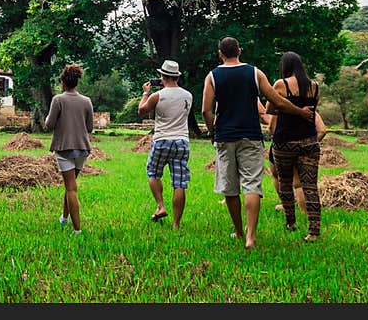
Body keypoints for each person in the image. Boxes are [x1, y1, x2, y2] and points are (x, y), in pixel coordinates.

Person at [201, 37, 314, 250]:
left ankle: (239, 230)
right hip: (251, 136)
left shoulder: (212, 76)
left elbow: (206, 109)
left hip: (225, 136)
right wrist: (300, 112)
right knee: (252, 185)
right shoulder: (255, 73)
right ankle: (251, 237)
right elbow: (278, 101)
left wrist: (212, 131)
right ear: (239, 51)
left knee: (230, 188)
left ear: (220, 53)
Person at [265, 52, 326, 242]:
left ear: (285, 66)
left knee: (284, 182)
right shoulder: (314, 87)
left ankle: (290, 222)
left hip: (285, 141)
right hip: (309, 141)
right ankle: (314, 231)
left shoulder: (280, 84)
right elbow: (313, 110)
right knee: (310, 187)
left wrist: (286, 107)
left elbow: (269, 109)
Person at [137, 60, 193, 228]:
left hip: (162, 140)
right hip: (182, 141)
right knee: (179, 183)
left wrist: (146, 93)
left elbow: (141, 110)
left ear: (163, 76)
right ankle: (176, 224)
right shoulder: (188, 95)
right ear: (176, 76)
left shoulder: (157, 95)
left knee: (153, 173)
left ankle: (161, 206)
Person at [45, 63, 94, 235]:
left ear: (63, 83)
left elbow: (49, 125)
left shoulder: (58, 100)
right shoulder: (86, 101)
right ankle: (64, 218)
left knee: (71, 188)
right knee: (70, 185)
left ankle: (77, 229)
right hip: (82, 149)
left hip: (64, 149)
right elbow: (90, 128)